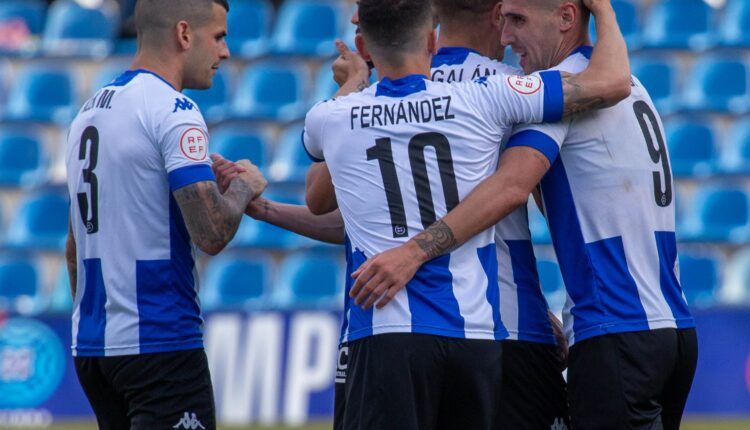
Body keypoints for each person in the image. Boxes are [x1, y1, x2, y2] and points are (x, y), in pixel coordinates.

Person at [352, 0, 697, 429]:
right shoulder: (632, 80)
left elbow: (513, 185)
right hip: (674, 329)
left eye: (517, 19)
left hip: (615, 326)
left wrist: (415, 252)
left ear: (567, 17)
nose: (505, 35)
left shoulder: (565, 88)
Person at [300, 0, 630, 427]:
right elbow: (609, 83)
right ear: (431, 37)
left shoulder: (335, 115)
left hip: (382, 325)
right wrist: (602, 10)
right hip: (492, 326)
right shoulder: (499, 89)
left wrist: (357, 85)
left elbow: (319, 196)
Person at [64, 1, 266, 429]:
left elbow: (72, 246)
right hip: (159, 341)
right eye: (219, 37)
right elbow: (211, 232)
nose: (225, 53)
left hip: (95, 348)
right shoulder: (174, 110)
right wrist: (246, 186)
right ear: (184, 34)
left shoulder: (87, 113)